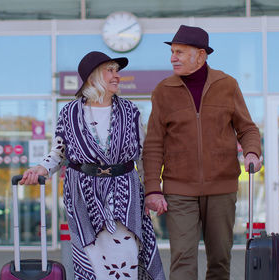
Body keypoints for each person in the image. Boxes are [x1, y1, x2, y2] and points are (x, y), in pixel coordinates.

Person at [20, 51, 165, 280]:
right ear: (92, 76)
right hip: (83, 196)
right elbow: (59, 153)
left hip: (125, 194)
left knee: (126, 259)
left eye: (117, 71)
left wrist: (151, 191)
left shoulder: (131, 111)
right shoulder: (69, 112)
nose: (116, 75)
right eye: (110, 70)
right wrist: (41, 169)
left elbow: (143, 156)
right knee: (92, 261)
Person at [143, 25, 263, 280]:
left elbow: (247, 128)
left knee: (220, 260)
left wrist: (252, 152)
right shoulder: (163, 91)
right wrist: (153, 188)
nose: (172, 58)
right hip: (179, 190)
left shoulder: (227, 85)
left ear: (201, 55)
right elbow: (154, 143)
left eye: (179, 52)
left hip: (221, 187)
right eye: (172, 52)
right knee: (183, 261)